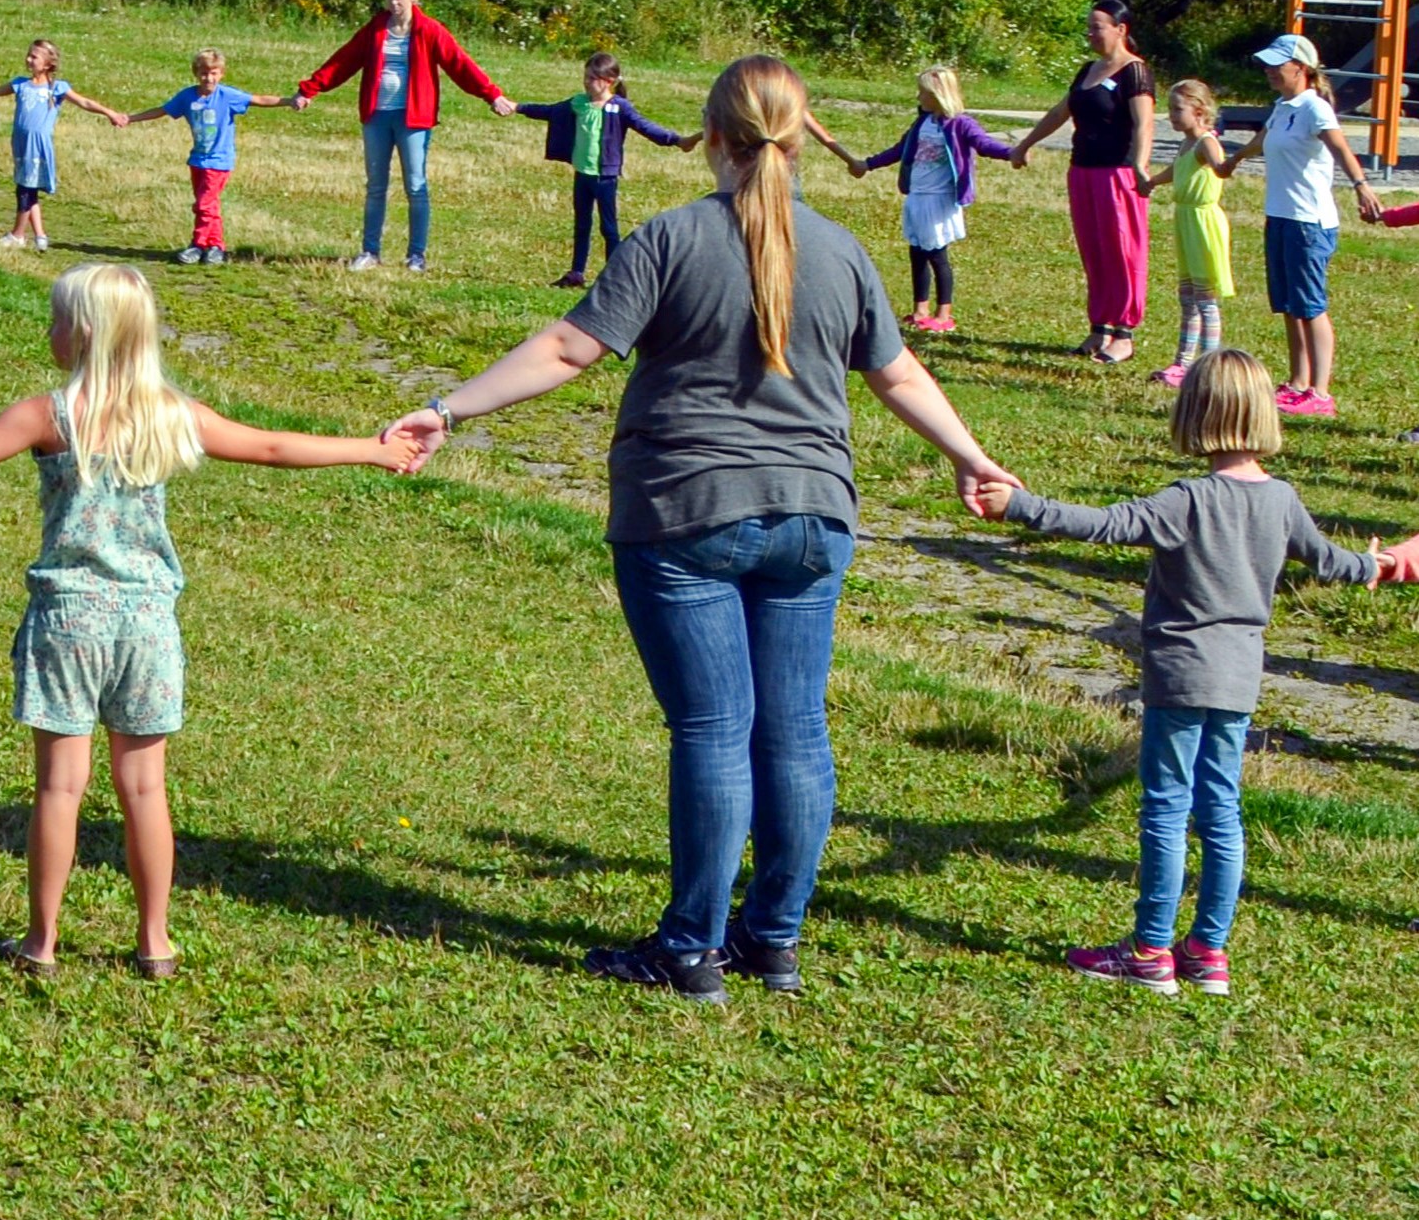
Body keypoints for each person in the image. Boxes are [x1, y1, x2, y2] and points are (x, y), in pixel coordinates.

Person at [384, 57, 1017, 1002]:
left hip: (684, 515)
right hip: (813, 519)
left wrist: (450, 407)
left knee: (716, 731)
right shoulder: (842, 250)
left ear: (713, 138)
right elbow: (899, 376)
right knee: (796, 732)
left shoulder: (670, 238)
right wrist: (971, 455)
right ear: (801, 142)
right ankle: (774, 941)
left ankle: (689, 948)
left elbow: (570, 346)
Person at [0, 263, 423, 978]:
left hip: (68, 622)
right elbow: (271, 446)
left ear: (82, 336)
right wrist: (374, 450)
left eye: (55, 320)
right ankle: (155, 941)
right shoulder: (171, 413)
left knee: (59, 789)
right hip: (147, 624)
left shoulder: (48, 415)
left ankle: (41, 945)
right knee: (144, 789)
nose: (48, 331)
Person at [965, 352, 1401, 994]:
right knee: (1221, 810)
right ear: (1263, 415)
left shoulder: (1187, 500)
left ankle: (1147, 953)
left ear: (1193, 414)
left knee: (1166, 811)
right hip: (1240, 680)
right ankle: (1209, 953)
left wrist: (1022, 506)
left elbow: (1104, 526)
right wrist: (1381, 564)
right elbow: (1334, 563)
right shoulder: (1282, 501)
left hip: (1178, 677)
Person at [292, 0, 516, 274]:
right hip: (377, 117)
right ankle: (370, 251)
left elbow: (460, 64)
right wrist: (310, 90)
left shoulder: (430, 30)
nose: (394, 3)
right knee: (375, 186)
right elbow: (343, 61)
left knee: (415, 184)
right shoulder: (376, 29)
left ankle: (416, 256)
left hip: (414, 119)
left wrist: (491, 95)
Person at [1215, 32, 1376, 416]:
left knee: (1310, 305)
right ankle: (1298, 383)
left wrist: (1362, 187)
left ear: (1300, 69)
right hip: (1281, 216)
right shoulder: (1282, 107)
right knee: (1288, 304)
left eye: (1277, 65)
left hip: (1309, 221)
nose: (1269, 71)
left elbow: (1340, 148)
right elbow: (1262, 141)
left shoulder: (1314, 109)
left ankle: (1320, 393)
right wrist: (1233, 161)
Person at [1008, 0, 1158, 364]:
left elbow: (1144, 123)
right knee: (1095, 251)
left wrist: (1139, 165)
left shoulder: (1135, 72)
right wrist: (1026, 143)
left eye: (1098, 27)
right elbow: (1062, 112)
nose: (1091, 34)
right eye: (1089, 27)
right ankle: (1099, 327)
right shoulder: (1088, 70)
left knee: (1123, 252)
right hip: (1084, 172)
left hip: (1117, 174)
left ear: (1120, 29)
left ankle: (1124, 333)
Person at [842, 65, 1024, 338]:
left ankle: (944, 314)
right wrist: (867, 164)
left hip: (938, 201)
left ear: (938, 95)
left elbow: (983, 144)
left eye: (923, 93)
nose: (918, 98)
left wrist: (1012, 153)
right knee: (916, 253)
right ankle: (920, 310)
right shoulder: (922, 124)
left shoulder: (961, 124)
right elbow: (899, 151)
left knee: (937, 256)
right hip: (917, 196)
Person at [517, 53, 693, 289]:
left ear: (608, 81)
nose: (586, 82)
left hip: (605, 178)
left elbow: (645, 126)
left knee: (608, 228)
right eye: (585, 77)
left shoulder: (619, 108)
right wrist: (517, 107)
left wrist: (677, 140)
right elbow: (548, 111)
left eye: (591, 78)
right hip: (583, 175)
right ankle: (576, 273)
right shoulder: (578, 103)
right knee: (582, 224)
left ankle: (615, 276)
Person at [0, 39, 133, 250]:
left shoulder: (56, 88)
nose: (29, 59)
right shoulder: (20, 84)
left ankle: (17, 235)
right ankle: (40, 236)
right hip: (20, 143)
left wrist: (109, 113)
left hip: (36, 145)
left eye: (34, 57)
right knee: (29, 186)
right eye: (28, 55)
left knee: (25, 190)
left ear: (48, 64)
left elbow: (85, 102)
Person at [120, 49, 278, 266]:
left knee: (204, 205)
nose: (209, 78)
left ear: (221, 74)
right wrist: (131, 118)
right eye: (204, 73)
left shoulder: (227, 96)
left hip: (219, 161)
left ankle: (198, 244)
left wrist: (291, 101)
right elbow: (163, 111)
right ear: (196, 73)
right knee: (209, 206)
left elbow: (259, 99)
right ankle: (215, 247)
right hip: (197, 160)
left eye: (214, 73)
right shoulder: (187, 96)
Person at [1144, 80, 1236, 386]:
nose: (1171, 114)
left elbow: (1219, 166)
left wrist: (1227, 165)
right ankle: (1182, 363)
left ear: (1198, 110)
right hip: (1185, 220)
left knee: (1204, 297)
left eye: (1177, 109)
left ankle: (1209, 366)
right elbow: (1178, 169)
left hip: (1202, 223)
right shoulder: (1186, 144)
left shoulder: (1206, 142)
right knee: (1187, 295)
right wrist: (1152, 182)